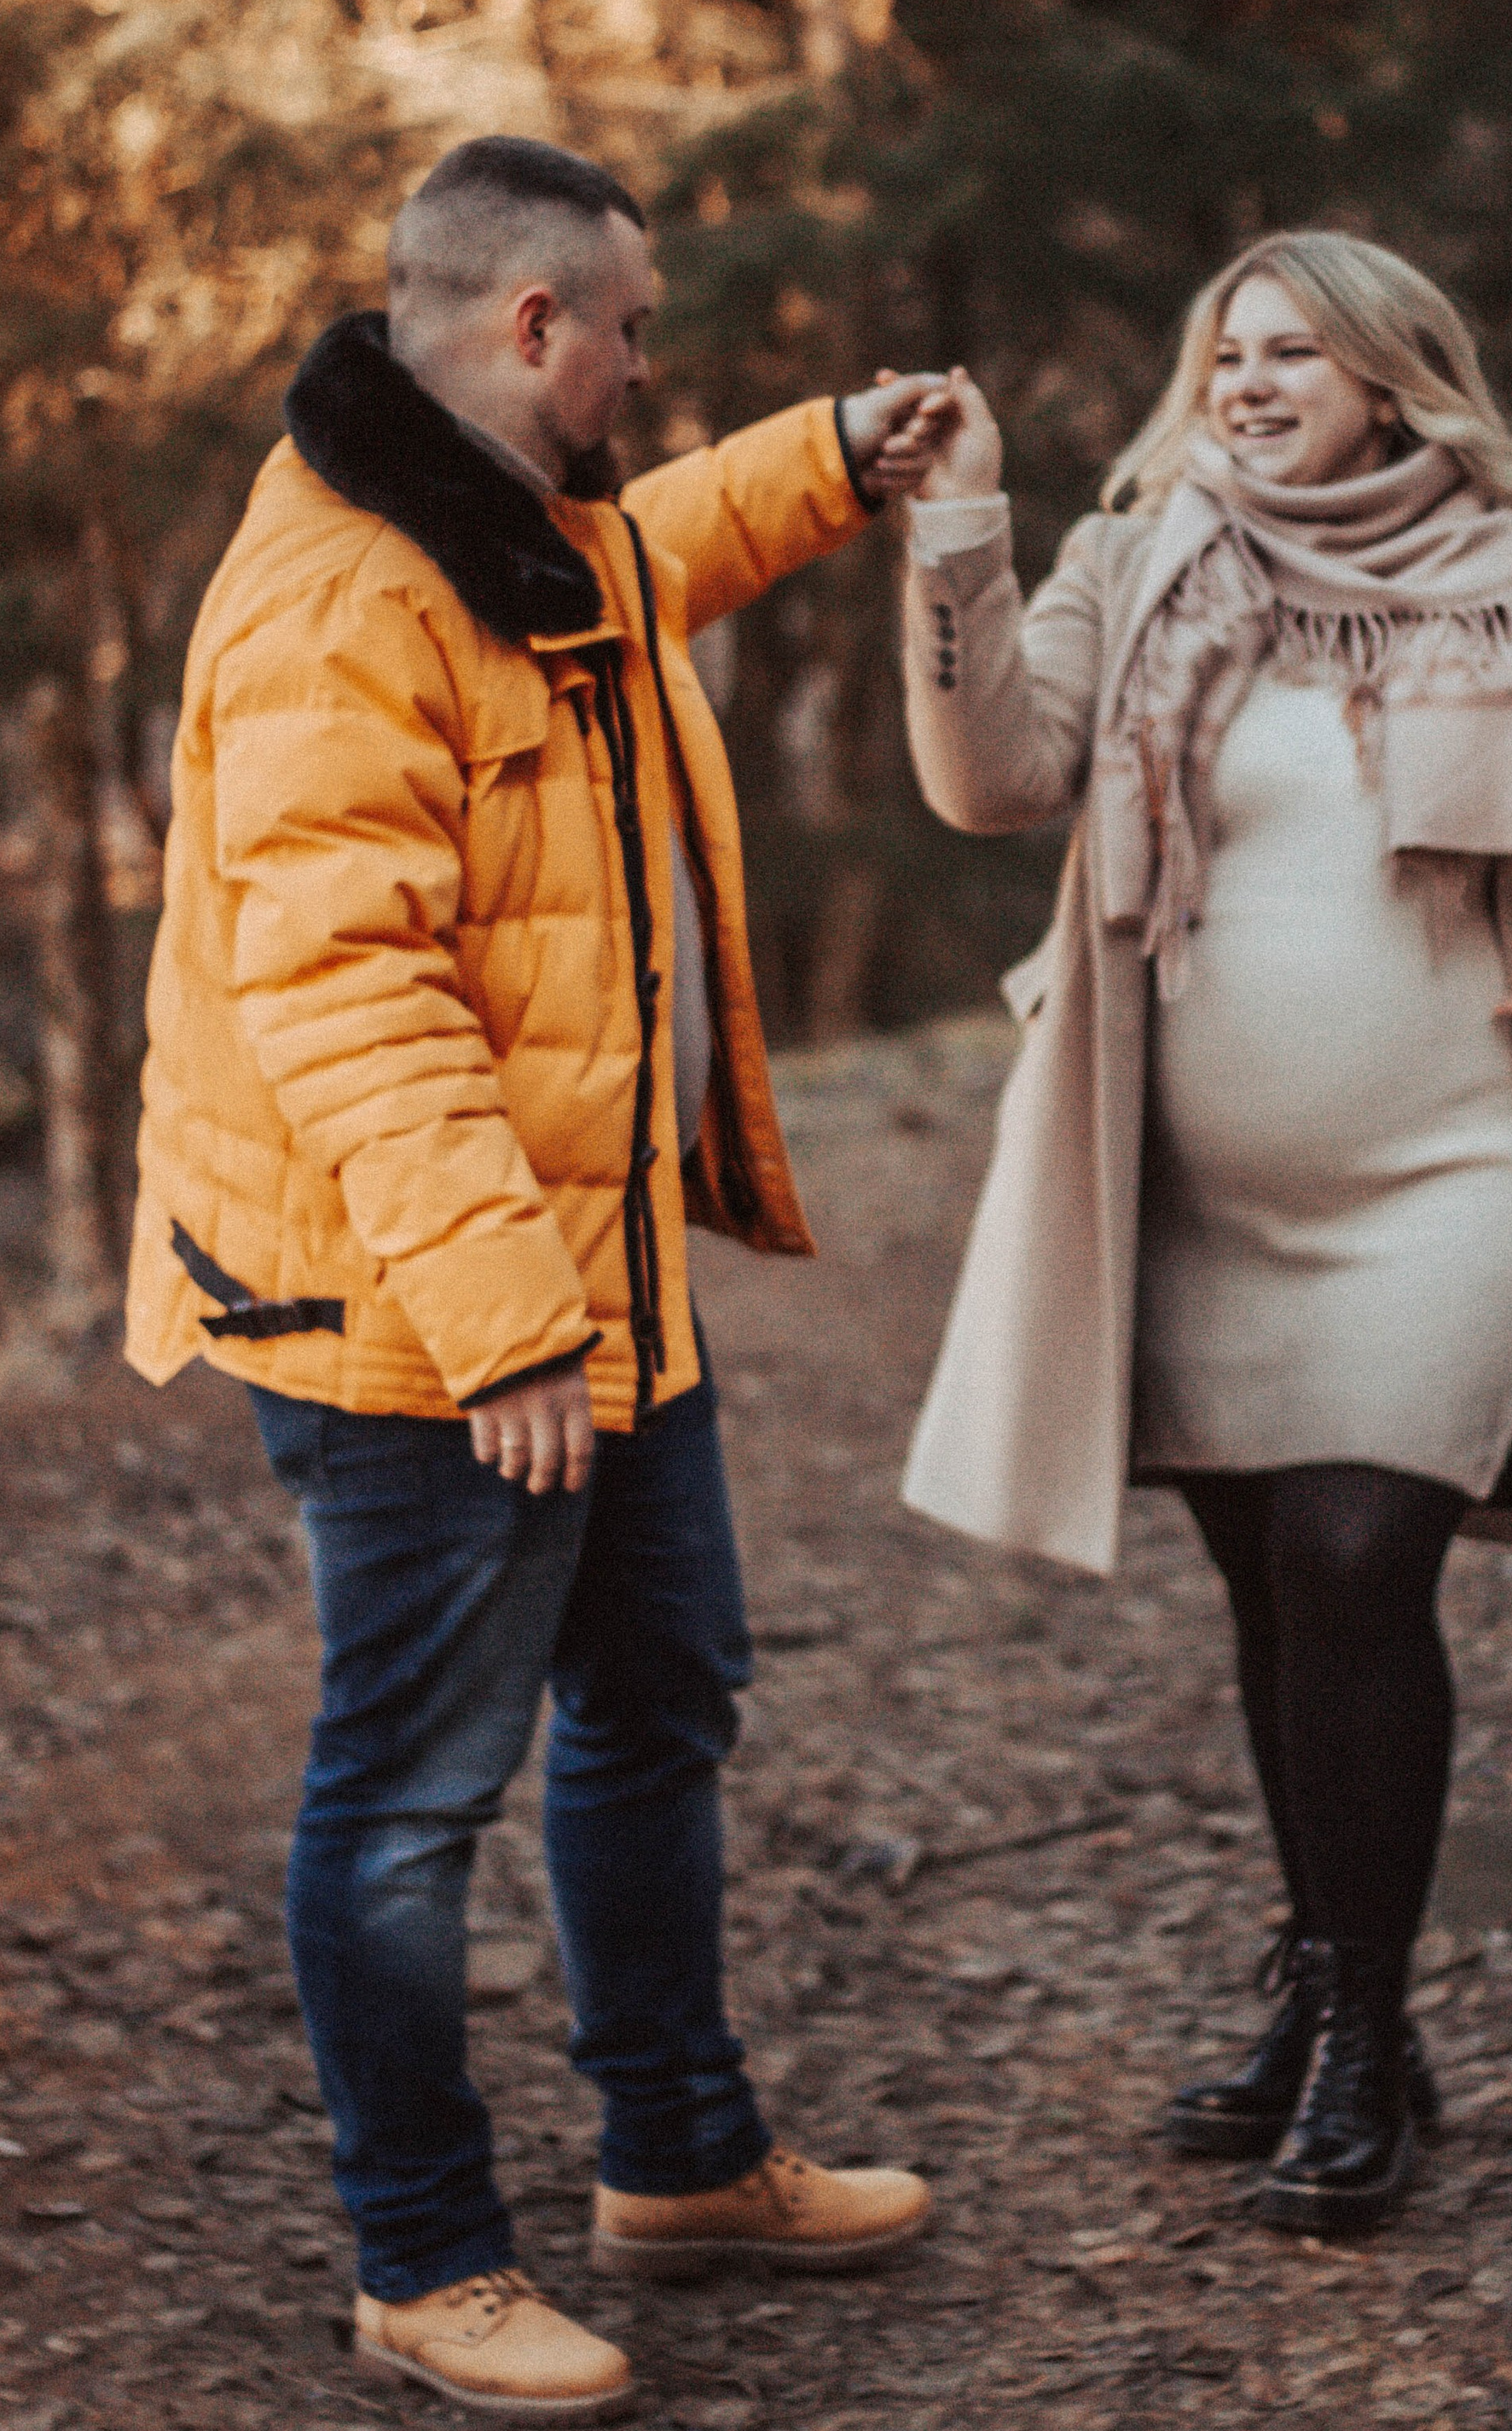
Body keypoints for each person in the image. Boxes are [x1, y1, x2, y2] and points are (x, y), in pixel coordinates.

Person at [125, 136, 947, 2420]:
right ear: (528, 331)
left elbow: (643, 557)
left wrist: (828, 467)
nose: (648, 366)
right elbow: (348, 1001)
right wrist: (506, 1330)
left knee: (660, 1693)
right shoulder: (333, 608)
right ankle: (421, 2259)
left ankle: (678, 2157)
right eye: (635, 331)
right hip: (425, 1323)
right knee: (403, 1798)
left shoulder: (506, 523)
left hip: (589, 1284)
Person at [891, 230, 1512, 2237]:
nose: (1252, 381)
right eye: (1227, 353)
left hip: (1446, 1177)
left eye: (1294, 351)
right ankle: (1327, 1979)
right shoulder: (1139, 557)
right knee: (1274, 1596)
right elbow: (994, 778)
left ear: (1391, 374)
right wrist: (957, 535)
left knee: (1364, 1555)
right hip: (1188, 1198)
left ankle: (1363, 2032)